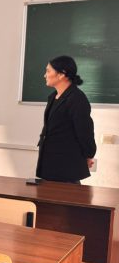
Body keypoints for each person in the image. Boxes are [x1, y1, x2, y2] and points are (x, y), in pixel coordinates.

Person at [36, 55, 96, 183]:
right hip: (50, 163)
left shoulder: (76, 99)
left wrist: (89, 154)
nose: (45, 75)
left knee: (68, 195)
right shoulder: (53, 97)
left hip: (66, 166)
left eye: (48, 71)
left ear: (61, 74)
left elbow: (85, 131)